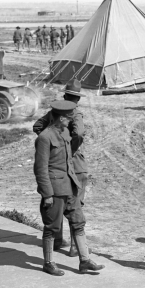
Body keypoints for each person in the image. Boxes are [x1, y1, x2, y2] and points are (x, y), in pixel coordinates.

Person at [34, 100, 104, 276]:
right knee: (52, 227)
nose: (71, 121)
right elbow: (40, 169)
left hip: (70, 186)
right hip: (55, 190)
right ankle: (48, 263)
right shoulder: (44, 137)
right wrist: (47, 194)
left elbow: (68, 161)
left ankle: (85, 260)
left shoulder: (65, 132)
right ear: (59, 118)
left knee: (78, 222)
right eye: (68, 117)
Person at [33, 79, 89, 256]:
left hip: (61, 166)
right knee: (73, 206)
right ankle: (73, 247)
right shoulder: (74, 114)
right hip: (74, 166)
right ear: (77, 100)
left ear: (65, 95)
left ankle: (59, 241)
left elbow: (37, 126)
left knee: (61, 207)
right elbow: (79, 133)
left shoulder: (54, 112)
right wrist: (69, 148)